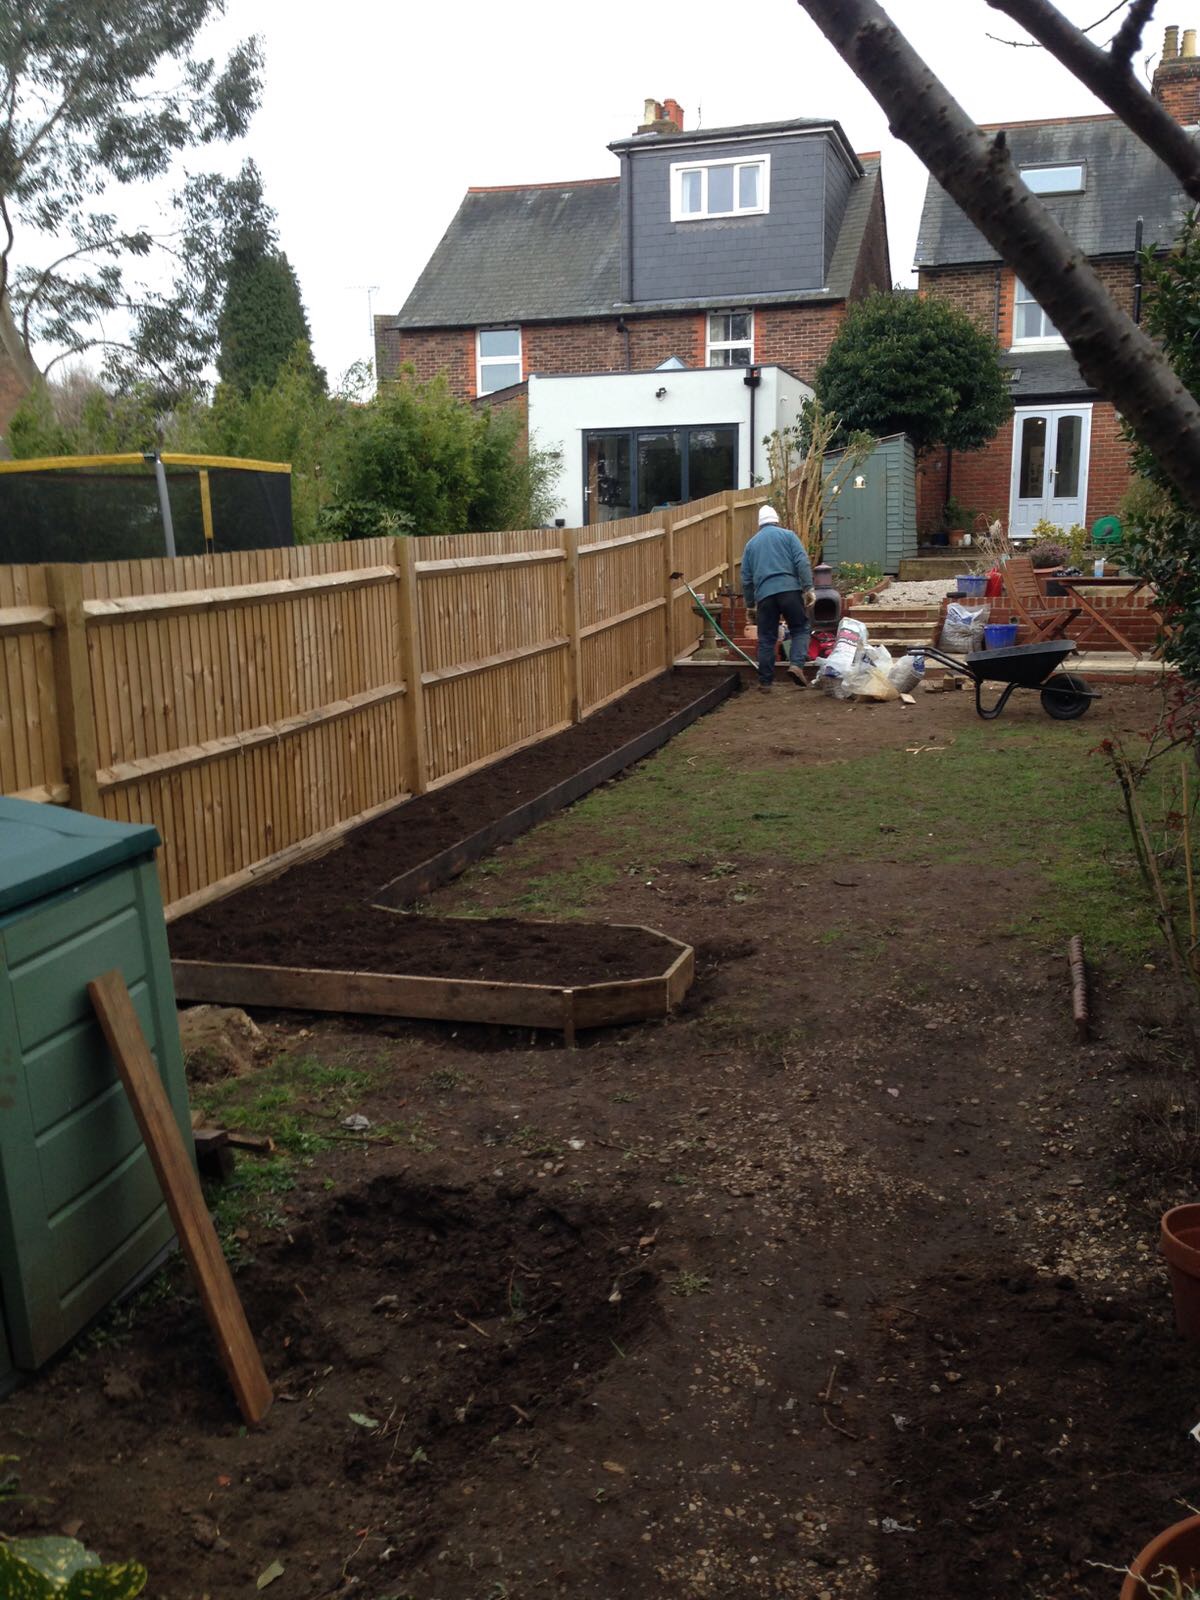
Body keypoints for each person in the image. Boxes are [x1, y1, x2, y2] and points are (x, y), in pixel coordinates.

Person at [741, 504, 813, 691]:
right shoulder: (788, 536)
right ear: (776, 520)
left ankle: (765, 682)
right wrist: (808, 588)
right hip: (790, 591)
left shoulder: (751, 545)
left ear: (759, 523)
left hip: (765, 596)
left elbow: (746, 578)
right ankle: (796, 665)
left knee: (766, 638)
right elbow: (802, 561)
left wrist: (750, 605)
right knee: (800, 629)